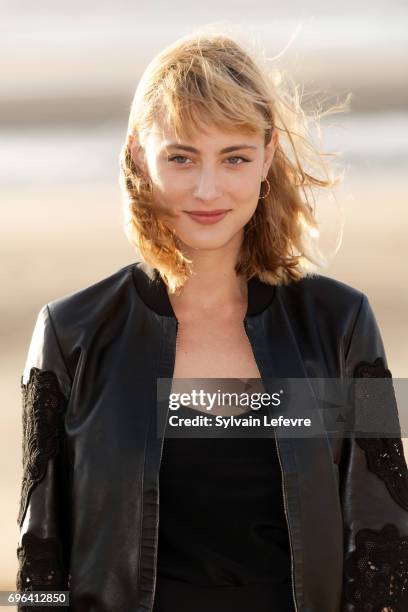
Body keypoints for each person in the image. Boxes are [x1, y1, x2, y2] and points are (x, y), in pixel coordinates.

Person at [16, 29, 408, 612]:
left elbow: (386, 541)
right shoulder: (70, 334)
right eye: (180, 157)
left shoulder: (341, 323)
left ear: (267, 156)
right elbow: (39, 561)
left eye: (234, 158)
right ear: (136, 154)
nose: (207, 189)